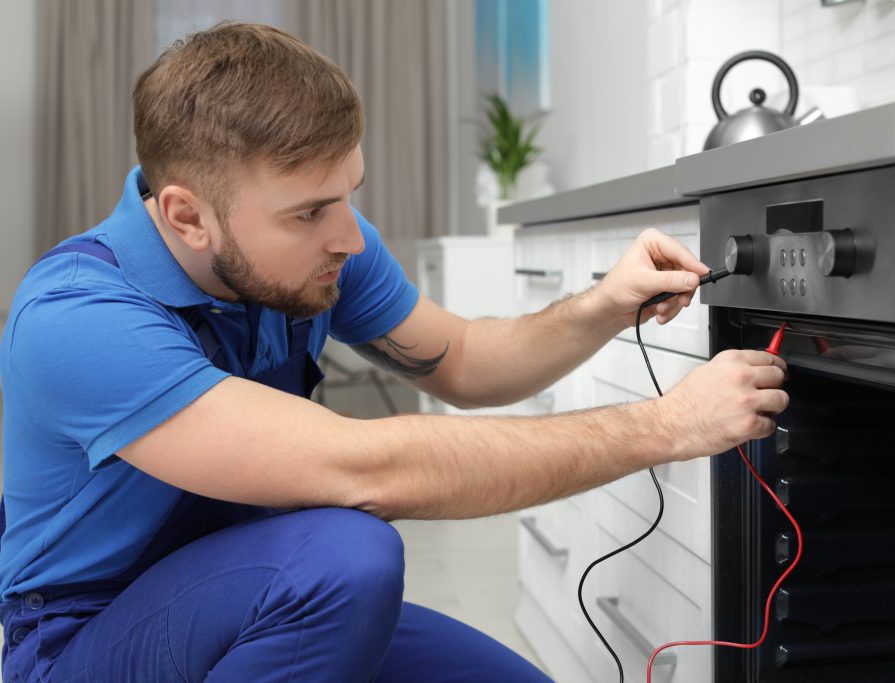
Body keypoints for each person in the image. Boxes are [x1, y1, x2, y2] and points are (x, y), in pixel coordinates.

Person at [0, 21, 788, 683]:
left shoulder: (322, 249)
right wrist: (670, 424)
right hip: (85, 638)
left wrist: (602, 305)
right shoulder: (77, 315)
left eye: (350, 193)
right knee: (348, 556)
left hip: (253, 592)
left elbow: (467, 360)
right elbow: (365, 470)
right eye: (310, 211)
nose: (349, 235)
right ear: (186, 216)